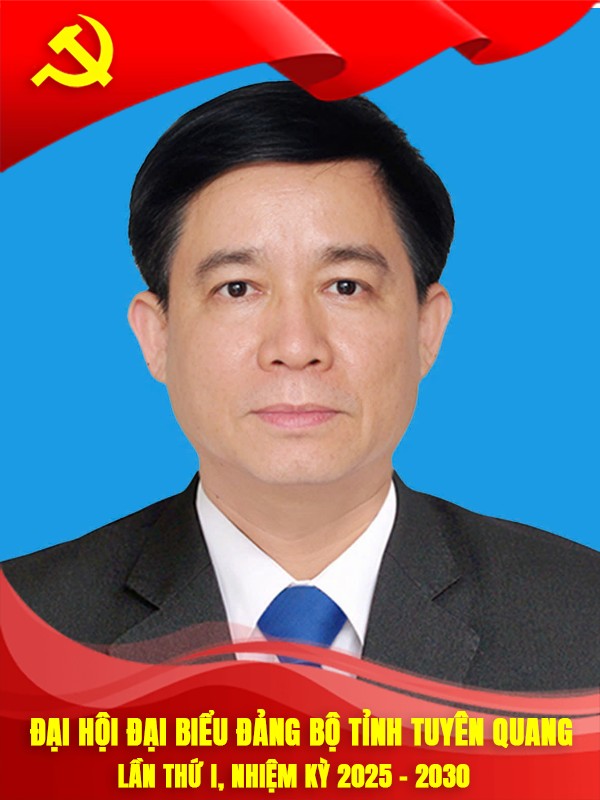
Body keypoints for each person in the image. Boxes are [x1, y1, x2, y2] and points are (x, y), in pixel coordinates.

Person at [3, 82, 599, 690]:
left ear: (427, 329)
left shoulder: (583, 622)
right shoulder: (21, 632)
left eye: (345, 286)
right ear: (157, 336)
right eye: (237, 288)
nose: (295, 346)